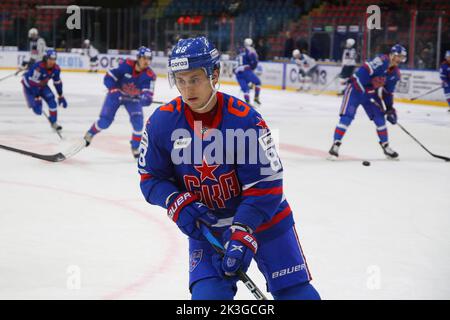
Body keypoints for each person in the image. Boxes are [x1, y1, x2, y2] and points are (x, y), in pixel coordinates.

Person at [138, 36, 320, 300]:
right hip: (207, 227)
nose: (188, 90)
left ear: (215, 73)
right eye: (181, 80)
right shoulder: (161, 123)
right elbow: (150, 178)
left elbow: (266, 184)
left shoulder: (245, 120)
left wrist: (243, 229)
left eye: (195, 79)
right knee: (207, 299)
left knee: (295, 293)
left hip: (264, 220)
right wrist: (175, 200)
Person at [329, 44, 407, 159]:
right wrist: (366, 90)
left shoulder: (395, 74)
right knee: (347, 117)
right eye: (398, 56)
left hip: (370, 94)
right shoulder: (380, 61)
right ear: (391, 55)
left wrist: (390, 108)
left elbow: (387, 93)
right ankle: (336, 145)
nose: (399, 60)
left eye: (402, 57)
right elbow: (361, 75)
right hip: (355, 89)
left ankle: (386, 147)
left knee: (380, 118)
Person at [83, 46, 156, 159]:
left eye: (149, 58)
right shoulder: (125, 65)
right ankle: (90, 133)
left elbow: (148, 94)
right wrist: (113, 89)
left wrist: (145, 99)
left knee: (138, 123)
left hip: (132, 100)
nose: (147, 61)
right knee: (105, 122)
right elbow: (109, 76)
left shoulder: (150, 76)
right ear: (138, 58)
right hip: (116, 95)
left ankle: (135, 147)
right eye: (144, 58)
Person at [21, 49, 67, 132]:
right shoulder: (38, 68)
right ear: (45, 58)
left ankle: (53, 122)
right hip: (29, 87)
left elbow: (57, 82)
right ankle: (33, 104)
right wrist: (37, 97)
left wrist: (60, 95)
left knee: (52, 101)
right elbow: (33, 83)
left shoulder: (56, 69)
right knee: (38, 111)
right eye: (50, 59)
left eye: (54, 59)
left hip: (41, 86)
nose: (52, 62)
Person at [234, 38, 262, 106]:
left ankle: (248, 103)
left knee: (245, 89)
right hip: (246, 70)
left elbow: (234, 66)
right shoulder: (250, 50)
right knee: (258, 82)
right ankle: (256, 98)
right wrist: (252, 68)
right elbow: (254, 60)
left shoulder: (239, 52)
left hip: (238, 73)